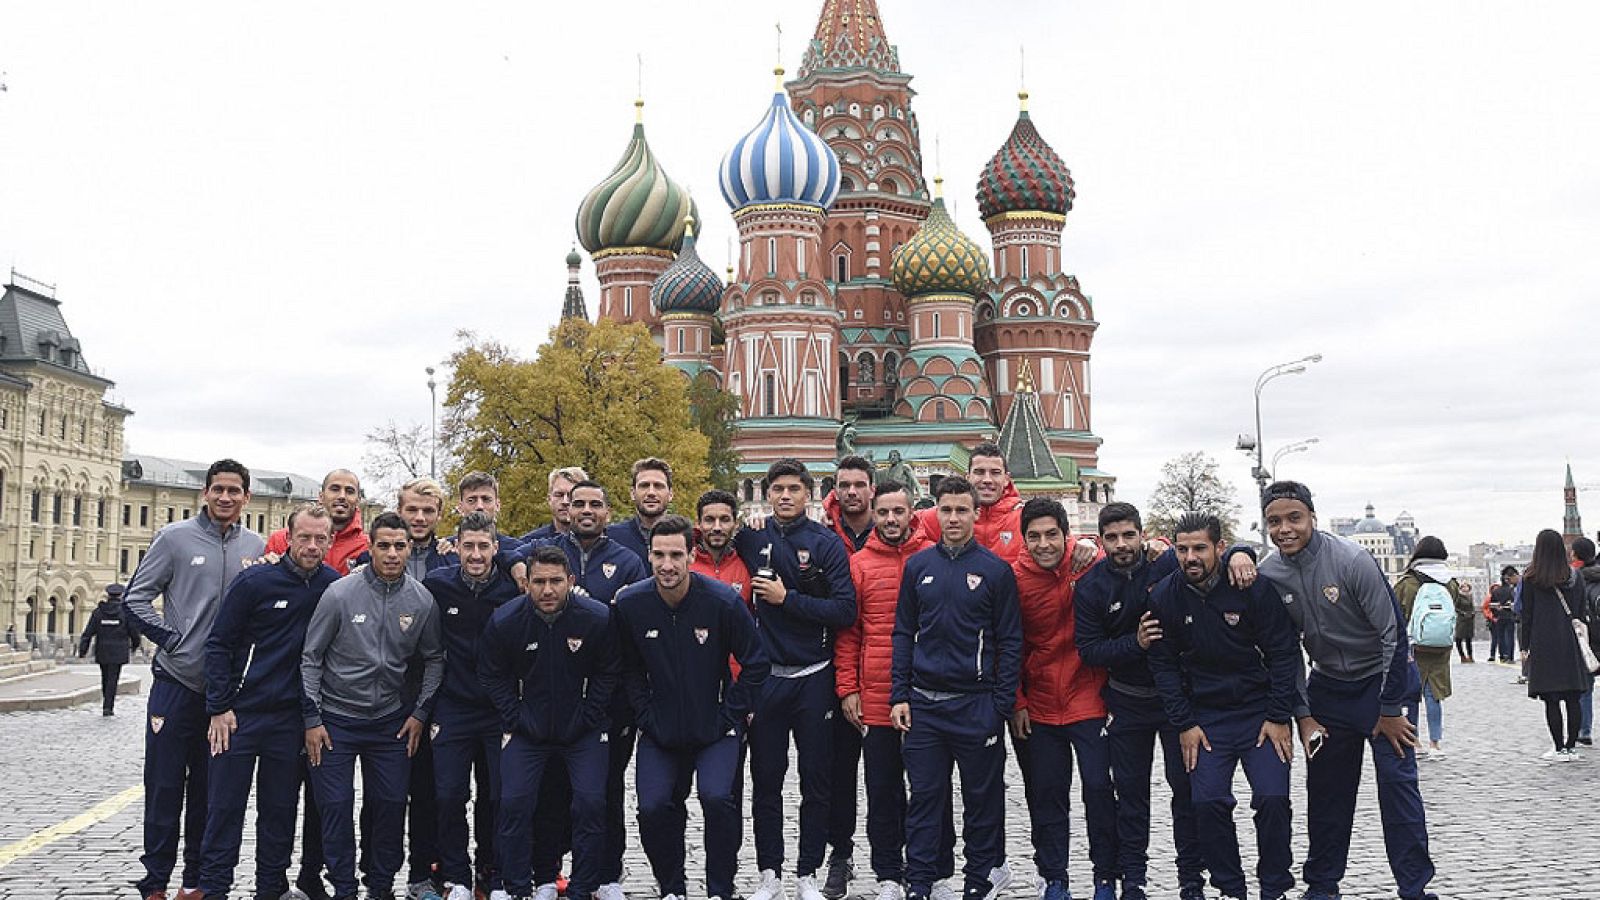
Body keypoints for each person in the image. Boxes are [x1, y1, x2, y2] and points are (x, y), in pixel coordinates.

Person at [1256, 481, 1436, 900]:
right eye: (1274, 522)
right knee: (1327, 793)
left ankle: (1414, 889)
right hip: (1328, 690)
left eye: (1294, 518)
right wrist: (1304, 714)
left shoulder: (1352, 560)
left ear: (1313, 518)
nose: (1285, 529)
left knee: (1398, 788)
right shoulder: (1269, 573)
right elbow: (1283, 651)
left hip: (1382, 683)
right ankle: (1322, 887)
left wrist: (1389, 709)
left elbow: (1394, 636)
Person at [124, 459, 267, 900]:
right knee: (164, 787)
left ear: (246, 497)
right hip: (176, 683)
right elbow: (135, 599)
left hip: (224, 694)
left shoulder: (256, 546)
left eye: (234, 490)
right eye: (218, 489)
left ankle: (195, 882)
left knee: (210, 793)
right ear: (206, 493)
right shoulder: (174, 538)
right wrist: (172, 639)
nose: (225, 497)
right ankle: (155, 882)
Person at [615, 516, 770, 900]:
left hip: (715, 727)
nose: (667, 564)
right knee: (652, 808)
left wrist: (729, 713)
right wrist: (645, 713)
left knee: (717, 799)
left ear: (690, 556)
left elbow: (756, 663)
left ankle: (720, 889)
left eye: (676, 555)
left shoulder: (722, 601)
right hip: (660, 728)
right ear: (649, 556)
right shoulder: (631, 604)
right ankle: (672, 887)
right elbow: (627, 668)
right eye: (659, 555)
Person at [1147, 513, 1298, 900]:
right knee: (1208, 803)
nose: (1190, 557)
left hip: (1259, 712)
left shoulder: (1251, 586)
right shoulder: (1164, 595)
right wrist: (1184, 723)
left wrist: (1279, 715)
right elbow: (1163, 666)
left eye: (1199, 548)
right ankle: (1230, 888)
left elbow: (1284, 652)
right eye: (1182, 549)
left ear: (1219, 547)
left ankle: (1275, 887)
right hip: (1205, 716)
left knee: (1273, 799)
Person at [196, 502, 339, 900]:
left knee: (279, 812)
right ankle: (215, 889)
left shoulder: (333, 587)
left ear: (330, 541)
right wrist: (219, 706)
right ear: (288, 537)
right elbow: (219, 644)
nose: (312, 546)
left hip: (290, 720)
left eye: (320, 539)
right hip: (239, 716)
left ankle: (269, 889)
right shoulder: (255, 582)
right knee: (224, 809)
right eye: (304, 537)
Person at [302, 511, 445, 900]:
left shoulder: (421, 600)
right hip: (336, 720)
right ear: (371, 547)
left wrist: (420, 713)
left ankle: (380, 886)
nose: (392, 554)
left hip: (390, 722)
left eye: (399, 546)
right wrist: (312, 717)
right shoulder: (340, 594)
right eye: (384, 546)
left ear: (409, 547)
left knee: (391, 805)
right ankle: (344, 888)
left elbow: (435, 659)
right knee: (335, 805)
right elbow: (311, 657)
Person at [890, 476, 1020, 900]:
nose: (953, 518)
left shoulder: (995, 571)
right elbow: (903, 632)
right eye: (946, 510)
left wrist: (1000, 704)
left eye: (962, 510)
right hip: (925, 705)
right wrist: (900, 694)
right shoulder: (918, 567)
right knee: (925, 798)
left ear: (975, 514)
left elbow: (1010, 641)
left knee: (982, 799)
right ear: (935, 513)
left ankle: (979, 879)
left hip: (976, 705)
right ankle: (920, 881)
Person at [733, 459, 857, 900]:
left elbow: (845, 610)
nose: (785, 496)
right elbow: (706, 540)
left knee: (816, 781)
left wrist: (788, 599)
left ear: (808, 493)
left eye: (793, 489)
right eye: (778, 489)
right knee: (766, 780)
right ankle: (770, 872)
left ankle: (808, 871)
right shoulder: (751, 537)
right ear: (767, 494)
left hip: (813, 676)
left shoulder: (825, 544)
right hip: (767, 679)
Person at [523, 480, 649, 900]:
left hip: (610, 699)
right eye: (579, 503)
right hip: (553, 697)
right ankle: (547, 872)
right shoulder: (543, 550)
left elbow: (635, 621)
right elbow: (502, 550)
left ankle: (606, 875)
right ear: (567, 509)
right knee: (552, 789)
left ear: (608, 512)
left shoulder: (628, 561)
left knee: (605, 791)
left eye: (596, 503)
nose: (586, 510)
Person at [1074, 503, 1203, 900]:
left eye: (1129, 535)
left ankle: (1191, 879)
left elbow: (1208, 556)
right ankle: (1134, 879)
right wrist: (1137, 643)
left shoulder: (1165, 566)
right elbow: (1090, 651)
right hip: (1126, 702)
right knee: (1131, 796)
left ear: (1142, 535)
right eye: (1112, 538)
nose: (1121, 544)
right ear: (1101, 541)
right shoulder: (1091, 586)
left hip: (1175, 701)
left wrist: (1242, 554)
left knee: (1187, 791)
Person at [835, 481, 955, 900]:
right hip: (877, 693)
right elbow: (849, 633)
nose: (890, 519)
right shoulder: (859, 564)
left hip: (928, 692)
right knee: (883, 789)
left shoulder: (934, 557)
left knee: (932, 789)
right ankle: (888, 873)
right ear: (874, 514)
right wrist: (848, 688)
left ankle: (937, 872)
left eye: (898, 512)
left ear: (911, 514)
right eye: (883, 512)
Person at [479, 545, 619, 900]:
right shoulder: (506, 620)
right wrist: (515, 716)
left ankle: (583, 887)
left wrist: (589, 713)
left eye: (555, 581)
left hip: (583, 730)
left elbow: (609, 671)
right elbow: (491, 674)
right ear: (527, 583)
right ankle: (516, 887)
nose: (547, 590)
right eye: (539, 581)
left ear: (570, 581)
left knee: (590, 803)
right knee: (514, 803)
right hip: (528, 729)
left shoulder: (597, 618)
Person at [1008, 498, 1114, 900]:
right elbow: (1009, 646)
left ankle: (1105, 877)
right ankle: (1054, 878)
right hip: (1040, 704)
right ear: (1023, 539)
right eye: (1034, 536)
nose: (1044, 544)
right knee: (1047, 796)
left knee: (1099, 790)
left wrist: (1097, 545)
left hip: (1089, 697)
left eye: (1052, 534)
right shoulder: (1014, 579)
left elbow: (1138, 556)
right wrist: (1017, 701)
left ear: (1066, 534)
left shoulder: (1089, 562)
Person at [421, 513, 523, 900]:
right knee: (449, 795)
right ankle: (456, 875)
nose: (476, 554)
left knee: (498, 796)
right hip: (454, 707)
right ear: (457, 548)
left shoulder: (512, 588)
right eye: (468, 546)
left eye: (484, 546)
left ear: (496, 548)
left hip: (499, 709)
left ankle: (492, 871)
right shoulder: (438, 585)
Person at [818, 456, 876, 899]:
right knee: (838, 771)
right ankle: (840, 854)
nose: (852, 492)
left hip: (885, 670)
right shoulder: (821, 535)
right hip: (833, 666)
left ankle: (896, 857)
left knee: (890, 772)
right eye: (844, 485)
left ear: (872, 488)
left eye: (859, 484)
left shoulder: (897, 527)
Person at [1518, 529, 1592, 761]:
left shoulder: (1531, 578)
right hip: (1570, 642)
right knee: (1573, 697)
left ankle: (1558, 747)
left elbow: (1526, 615)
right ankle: (1571, 747)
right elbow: (1580, 611)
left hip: (1543, 642)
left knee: (1551, 699)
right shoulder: (1574, 577)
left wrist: (1524, 646)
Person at [1393, 537, 1463, 758]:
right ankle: (1435, 743)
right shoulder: (1450, 582)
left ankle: (1414, 741)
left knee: (1411, 694)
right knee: (1434, 694)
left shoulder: (1407, 582)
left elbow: (1395, 613)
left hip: (1412, 646)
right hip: (1441, 646)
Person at [913, 444, 1024, 561]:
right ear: (968, 477)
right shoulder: (938, 516)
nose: (987, 480)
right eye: (979, 472)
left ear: (1006, 479)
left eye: (995, 473)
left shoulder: (1023, 519)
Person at [265, 469, 369, 575]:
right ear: (321, 496)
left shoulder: (368, 547)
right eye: (335, 489)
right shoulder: (281, 540)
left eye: (349, 491)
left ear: (358, 500)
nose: (342, 496)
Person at [78, 582, 141, 716]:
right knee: (113, 678)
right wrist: (135, 645)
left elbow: (88, 632)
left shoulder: (98, 612)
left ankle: (106, 702)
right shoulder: (125, 613)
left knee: (105, 677)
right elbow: (134, 632)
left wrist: (83, 650)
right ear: (121, 595)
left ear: (108, 595)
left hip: (102, 650)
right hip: (119, 651)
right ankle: (108, 706)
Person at [605, 458, 676, 564]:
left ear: (670, 494)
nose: (651, 492)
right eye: (644, 486)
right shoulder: (611, 538)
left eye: (658, 486)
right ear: (632, 493)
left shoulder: (684, 539)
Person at [1568, 538, 1599, 746]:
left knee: (1585, 686)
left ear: (1575, 554)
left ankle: (1584, 730)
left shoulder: (1574, 577)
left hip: (1586, 639)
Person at [522, 466, 590, 542]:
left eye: (572, 495)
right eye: (559, 495)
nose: (565, 501)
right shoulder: (529, 543)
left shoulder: (599, 543)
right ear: (549, 499)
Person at [1484, 568, 1520, 665]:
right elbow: (1515, 603)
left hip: (1499, 616)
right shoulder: (1512, 591)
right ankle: (1510, 656)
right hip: (1510, 615)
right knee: (1510, 637)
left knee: (1500, 637)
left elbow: (1491, 605)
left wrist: (1495, 614)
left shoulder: (1496, 591)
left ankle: (1502, 656)